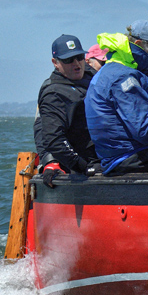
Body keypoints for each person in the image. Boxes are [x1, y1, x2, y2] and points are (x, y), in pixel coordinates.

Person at [84, 20, 148, 175]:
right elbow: (144, 130)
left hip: (116, 156)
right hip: (127, 158)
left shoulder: (112, 70)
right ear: (139, 44)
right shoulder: (123, 77)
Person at [33, 34, 99, 187]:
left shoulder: (90, 75)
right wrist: (81, 166)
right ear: (55, 63)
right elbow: (51, 135)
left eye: (79, 57)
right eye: (68, 60)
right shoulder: (54, 93)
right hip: (88, 164)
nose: (76, 63)